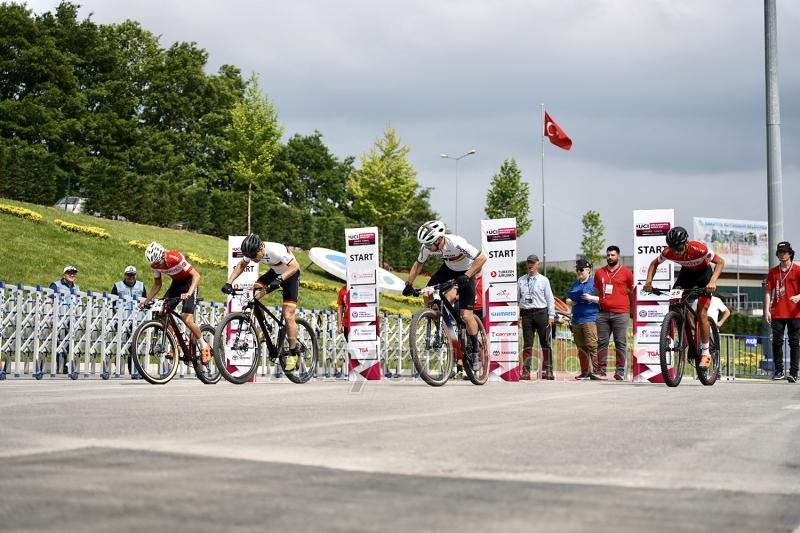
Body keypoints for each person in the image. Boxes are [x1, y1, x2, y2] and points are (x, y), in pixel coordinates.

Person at [402, 220, 486, 373]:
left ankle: (475, 350)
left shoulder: (456, 243)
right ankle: (439, 324)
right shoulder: (428, 246)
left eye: (429, 245)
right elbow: (418, 264)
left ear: (439, 239)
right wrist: (409, 283)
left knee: (466, 316)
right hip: (448, 269)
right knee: (427, 292)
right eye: (425, 245)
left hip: (467, 271)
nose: (427, 248)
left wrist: (467, 275)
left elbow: (482, 259)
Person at [644, 226, 725, 370]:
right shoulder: (668, 252)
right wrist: (648, 282)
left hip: (704, 275)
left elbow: (720, 262)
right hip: (686, 275)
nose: (676, 252)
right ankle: (683, 337)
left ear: (686, 243)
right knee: (674, 302)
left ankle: (706, 352)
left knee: (701, 313)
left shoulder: (699, 249)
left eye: (679, 248)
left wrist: (712, 281)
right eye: (673, 248)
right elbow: (653, 264)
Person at [222, 234, 301, 371]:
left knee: (288, 315)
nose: (253, 259)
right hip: (275, 272)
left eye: (254, 256)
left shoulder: (275, 250)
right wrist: (229, 282)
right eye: (250, 257)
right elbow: (241, 264)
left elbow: (295, 266)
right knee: (254, 295)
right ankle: (266, 328)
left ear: (261, 248)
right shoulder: (252, 250)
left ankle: (294, 353)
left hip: (290, 275)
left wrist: (280, 279)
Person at [139, 241, 210, 364]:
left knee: (186, 319)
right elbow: (157, 284)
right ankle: (174, 346)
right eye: (153, 263)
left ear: (162, 255)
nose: (156, 265)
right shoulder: (154, 265)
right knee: (162, 312)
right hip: (176, 285)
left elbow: (196, 276)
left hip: (189, 283)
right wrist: (146, 301)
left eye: (157, 262)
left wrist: (189, 293)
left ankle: (204, 345)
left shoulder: (175, 257)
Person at [593, 246, 634, 381]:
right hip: (603, 313)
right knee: (602, 343)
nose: (610, 257)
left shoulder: (627, 273)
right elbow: (598, 290)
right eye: (608, 255)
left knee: (620, 343)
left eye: (613, 255)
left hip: (621, 313)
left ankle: (620, 372)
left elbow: (631, 289)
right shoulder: (599, 272)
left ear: (618, 256)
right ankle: (601, 371)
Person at [764, 241, 800, 382]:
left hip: (795, 313)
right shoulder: (773, 271)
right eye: (779, 252)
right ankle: (779, 371)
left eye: (784, 252)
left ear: (790, 253)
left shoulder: (797, 270)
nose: (782, 254)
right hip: (777, 312)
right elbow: (768, 292)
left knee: (794, 342)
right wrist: (766, 310)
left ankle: (793, 373)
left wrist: (798, 296)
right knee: (777, 342)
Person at [517, 254, 555, 380]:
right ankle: (526, 371)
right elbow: (517, 300)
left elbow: (550, 299)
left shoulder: (544, 280)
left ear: (538, 265)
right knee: (527, 343)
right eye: (529, 263)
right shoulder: (521, 280)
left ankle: (548, 370)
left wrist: (551, 315)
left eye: (533, 263)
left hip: (541, 313)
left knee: (545, 342)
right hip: (527, 314)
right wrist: (517, 316)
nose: (530, 265)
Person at [566, 258, 601, 380]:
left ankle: (598, 371)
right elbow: (567, 299)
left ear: (588, 270)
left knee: (592, 346)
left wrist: (590, 298)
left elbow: (602, 299)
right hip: (576, 320)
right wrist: (572, 301)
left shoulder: (595, 283)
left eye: (581, 269)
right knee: (581, 348)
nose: (579, 272)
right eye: (577, 270)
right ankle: (585, 372)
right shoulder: (575, 284)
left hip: (590, 319)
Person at [49, 266, 81, 374]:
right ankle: (59, 366)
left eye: (73, 273)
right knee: (59, 343)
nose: (72, 275)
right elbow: (49, 301)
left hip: (72, 320)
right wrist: (50, 316)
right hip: (59, 319)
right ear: (64, 274)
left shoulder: (77, 287)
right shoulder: (56, 285)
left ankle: (65, 365)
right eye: (69, 273)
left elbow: (79, 304)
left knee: (69, 344)